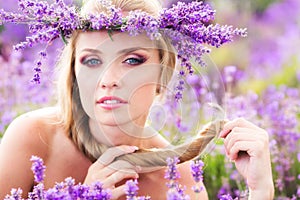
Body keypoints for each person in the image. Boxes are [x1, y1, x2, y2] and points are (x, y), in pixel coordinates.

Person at [0, 0, 274, 199]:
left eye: (132, 60)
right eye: (92, 60)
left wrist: (260, 191)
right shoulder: (32, 139)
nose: (109, 79)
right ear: (74, 72)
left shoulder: (181, 180)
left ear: (163, 71)